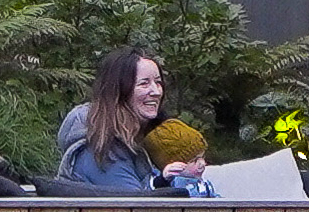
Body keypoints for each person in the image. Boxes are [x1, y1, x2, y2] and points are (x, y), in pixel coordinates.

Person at [57, 48, 212, 195]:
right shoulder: (99, 150)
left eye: (158, 82)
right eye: (144, 83)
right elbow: (136, 208)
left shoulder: (149, 137)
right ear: (119, 91)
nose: (156, 92)